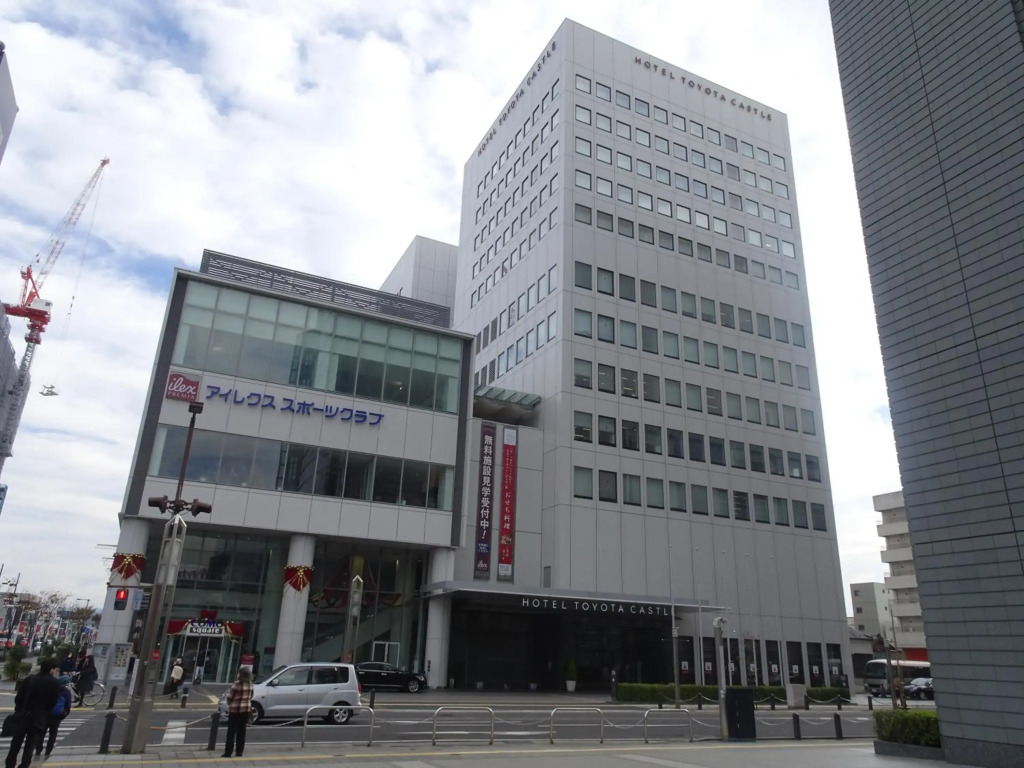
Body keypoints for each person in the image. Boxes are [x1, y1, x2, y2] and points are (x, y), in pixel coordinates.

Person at [5, 658, 60, 768]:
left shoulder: (30, 679)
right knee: (30, 746)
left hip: (23, 715)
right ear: (51, 669)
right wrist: (45, 712)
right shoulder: (55, 683)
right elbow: (52, 702)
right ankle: (24, 765)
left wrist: (19, 710)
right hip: (38, 718)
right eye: (55, 669)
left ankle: (10, 764)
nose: (55, 671)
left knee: (15, 744)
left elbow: (19, 697)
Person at [36, 675, 72, 758]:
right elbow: (67, 705)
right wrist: (64, 714)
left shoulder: (49, 688)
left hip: (46, 714)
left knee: (41, 733)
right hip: (57, 716)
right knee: (53, 734)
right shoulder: (65, 691)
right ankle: (48, 751)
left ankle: (38, 749)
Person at [222, 667, 253, 758]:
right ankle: (239, 752)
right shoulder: (250, 683)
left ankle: (228, 752)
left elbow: (230, 697)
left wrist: (229, 702)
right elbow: (251, 696)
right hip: (246, 709)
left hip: (235, 710)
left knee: (231, 732)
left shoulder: (237, 684)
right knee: (242, 731)